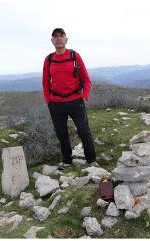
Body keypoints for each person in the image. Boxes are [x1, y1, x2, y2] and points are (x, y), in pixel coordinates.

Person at [42, 27, 98, 170]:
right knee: (62, 134)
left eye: (61, 36)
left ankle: (91, 160)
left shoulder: (74, 56)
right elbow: (45, 82)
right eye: (55, 36)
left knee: (84, 131)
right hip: (56, 103)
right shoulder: (49, 59)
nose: (59, 38)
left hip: (75, 101)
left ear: (66, 39)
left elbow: (86, 80)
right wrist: (49, 101)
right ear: (52, 41)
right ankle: (67, 160)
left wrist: (84, 96)